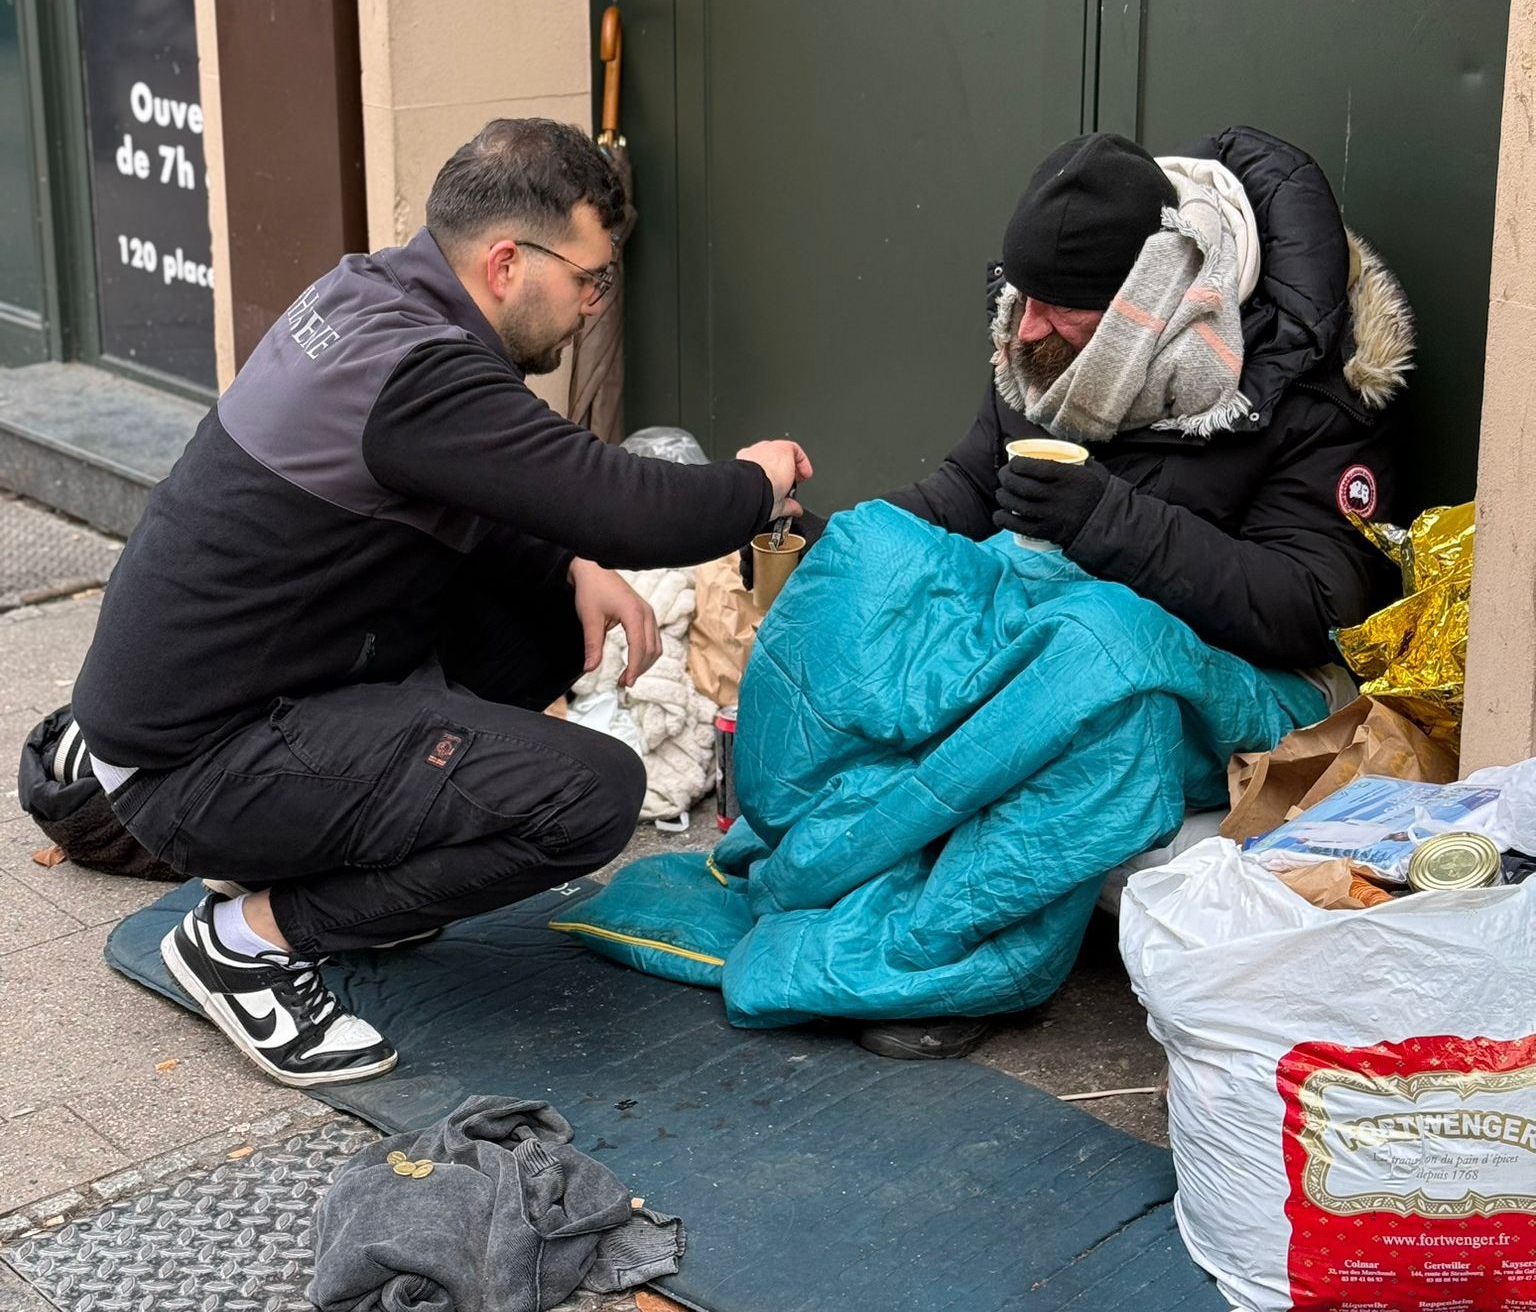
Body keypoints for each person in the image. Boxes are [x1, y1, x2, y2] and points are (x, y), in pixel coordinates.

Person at [71, 118, 812, 1088]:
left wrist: (570, 565)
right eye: (590, 280)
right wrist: (755, 482)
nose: (593, 306)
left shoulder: (371, 294)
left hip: (220, 700)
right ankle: (248, 940)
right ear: (507, 263)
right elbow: (629, 505)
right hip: (193, 763)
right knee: (591, 795)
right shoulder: (422, 374)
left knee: (548, 618)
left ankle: (316, 850)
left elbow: (471, 489)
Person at [746, 126, 1411, 1058]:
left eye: (1057, 309)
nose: (1024, 330)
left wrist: (1110, 519)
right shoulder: (1044, 351)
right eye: (1023, 301)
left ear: (1148, 296)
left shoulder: (1307, 391)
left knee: (1101, 669)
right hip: (1065, 629)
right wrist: (842, 543)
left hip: (1251, 685)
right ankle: (821, 863)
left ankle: (947, 958)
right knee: (872, 558)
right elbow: (967, 489)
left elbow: (1315, 606)